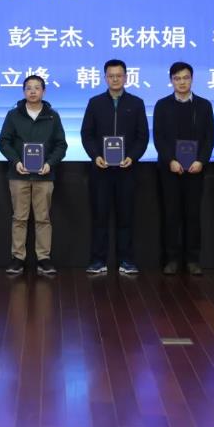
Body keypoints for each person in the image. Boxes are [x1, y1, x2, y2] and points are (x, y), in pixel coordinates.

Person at [80, 59, 149, 275]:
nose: (115, 79)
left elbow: (142, 137)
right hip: (101, 170)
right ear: (105, 78)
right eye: (111, 76)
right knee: (100, 217)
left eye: (119, 75)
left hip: (127, 170)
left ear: (126, 77)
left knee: (126, 217)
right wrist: (95, 156)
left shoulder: (136, 103)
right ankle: (98, 260)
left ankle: (126, 260)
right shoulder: (95, 103)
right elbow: (87, 134)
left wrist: (132, 157)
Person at [0, 75, 68, 276]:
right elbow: (4, 142)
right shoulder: (13, 115)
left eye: (37, 88)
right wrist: (16, 161)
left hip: (44, 176)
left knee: (43, 219)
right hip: (18, 174)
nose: (33, 91)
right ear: (24, 91)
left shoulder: (52, 116)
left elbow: (61, 145)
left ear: (43, 91)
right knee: (19, 218)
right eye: (29, 88)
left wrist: (49, 164)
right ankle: (17, 258)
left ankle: (43, 258)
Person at [153, 61, 214, 275]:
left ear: (192, 79)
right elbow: (159, 137)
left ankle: (193, 260)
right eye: (177, 78)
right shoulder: (162, 105)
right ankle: (171, 259)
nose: (182, 82)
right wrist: (170, 160)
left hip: (196, 169)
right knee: (171, 215)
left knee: (193, 216)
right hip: (169, 169)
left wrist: (201, 160)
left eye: (186, 78)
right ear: (171, 81)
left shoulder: (204, 105)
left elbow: (209, 137)